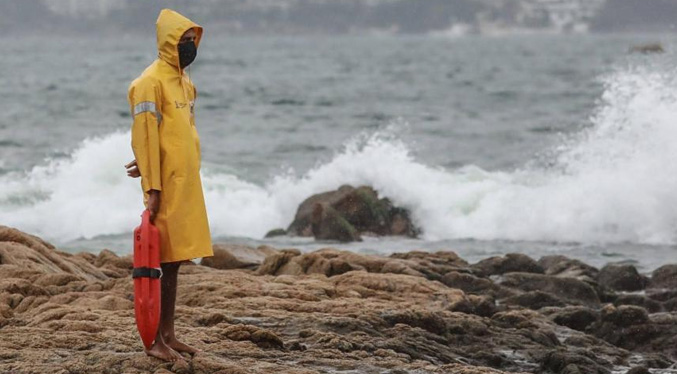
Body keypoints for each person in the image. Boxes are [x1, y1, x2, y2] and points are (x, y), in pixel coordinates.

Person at [125, 9, 213, 362]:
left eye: (192, 41)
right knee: (160, 261)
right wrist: (152, 185)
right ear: (168, 43)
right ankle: (153, 341)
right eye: (184, 41)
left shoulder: (184, 81)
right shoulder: (150, 82)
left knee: (176, 260)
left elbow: (173, 134)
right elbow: (144, 135)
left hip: (186, 183)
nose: (190, 47)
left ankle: (170, 334)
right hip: (165, 187)